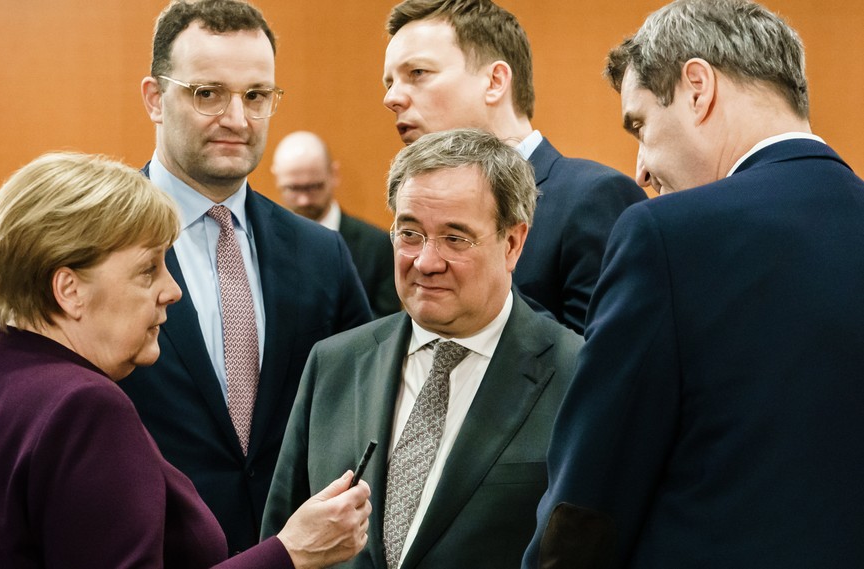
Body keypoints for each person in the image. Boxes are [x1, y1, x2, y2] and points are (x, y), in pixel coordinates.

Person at [523, 1, 864, 568]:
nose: (640, 168)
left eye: (640, 124)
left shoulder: (665, 235)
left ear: (698, 87)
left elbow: (588, 500)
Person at [0, 152, 371, 568]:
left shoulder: (7, 370)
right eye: (148, 269)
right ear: (69, 289)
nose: (172, 290)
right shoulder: (84, 407)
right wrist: (290, 553)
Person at [261, 128, 584, 569]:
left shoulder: (576, 376)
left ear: (512, 243)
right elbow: (282, 546)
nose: (426, 262)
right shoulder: (334, 364)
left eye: (455, 238)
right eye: (410, 233)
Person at [118, 0, 373, 555]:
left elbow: (365, 403)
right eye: (207, 93)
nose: (237, 119)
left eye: (256, 96)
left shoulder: (321, 252)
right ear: (155, 99)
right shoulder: (98, 244)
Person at [382, 0, 647, 334]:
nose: (391, 98)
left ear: (495, 81)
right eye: (389, 83)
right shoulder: (418, 209)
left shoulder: (594, 197)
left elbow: (602, 361)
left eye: (417, 73)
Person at [271, 131, 399, 318]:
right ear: (277, 179)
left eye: (314, 187)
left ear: (334, 174)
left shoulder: (377, 245)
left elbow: (388, 326)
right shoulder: (262, 240)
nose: (304, 200)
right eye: (293, 188)